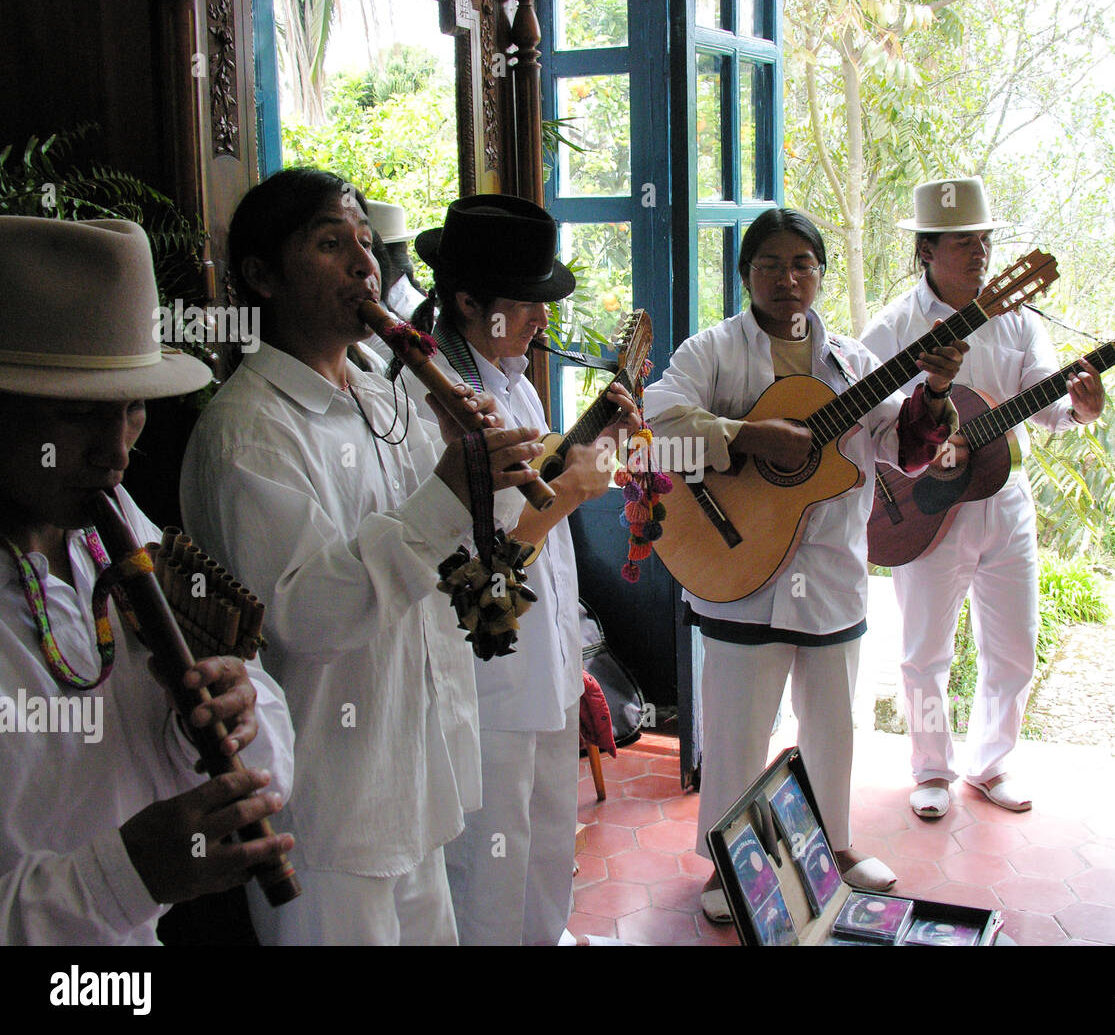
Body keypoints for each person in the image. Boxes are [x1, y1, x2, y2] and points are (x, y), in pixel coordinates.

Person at [179, 169, 545, 945]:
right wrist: (448, 491)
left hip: (417, 772)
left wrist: (489, 471)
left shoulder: (382, 391)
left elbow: (460, 552)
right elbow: (305, 616)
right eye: (328, 242)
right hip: (330, 811)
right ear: (260, 276)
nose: (363, 264)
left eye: (364, 243)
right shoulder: (250, 431)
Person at [642, 207, 966, 922]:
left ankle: (835, 845)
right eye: (770, 265)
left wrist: (935, 392)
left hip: (831, 576)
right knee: (737, 727)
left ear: (820, 273)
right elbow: (654, 430)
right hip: (738, 569)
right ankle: (727, 863)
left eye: (802, 265)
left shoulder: (851, 362)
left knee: (834, 721)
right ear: (745, 275)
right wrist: (746, 435)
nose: (787, 278)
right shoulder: (712, 352)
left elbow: (904, 450)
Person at [0, 215, 294, 945]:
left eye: (133, 408)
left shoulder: (116, 525)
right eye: (74, 416)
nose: (117, 452)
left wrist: (241, 709)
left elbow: (266, 728)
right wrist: (124, 877)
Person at [413, 195, 638, 945]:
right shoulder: (430, 400)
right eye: (527, 304)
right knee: (489, 865)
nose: (542, 320)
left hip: (543, 657)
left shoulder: (513, 377)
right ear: (469, 301)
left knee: (548, 844)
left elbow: (544, 513)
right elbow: (469, 555)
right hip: (484, 674)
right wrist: (570, 486)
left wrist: (596, 446)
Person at [860, 177, 1105, 820]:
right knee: (924, 651)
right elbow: (862, 418)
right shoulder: (894, 328)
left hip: (1006, 500)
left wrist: (1078, 408)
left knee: (1014, 645)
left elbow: (1047, 405)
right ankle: (931, 769)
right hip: (922, 509)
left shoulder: (1018, 318)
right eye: (964, 240)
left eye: (985, 239)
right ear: (927, 249)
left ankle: (991, 763)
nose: (980, 251)